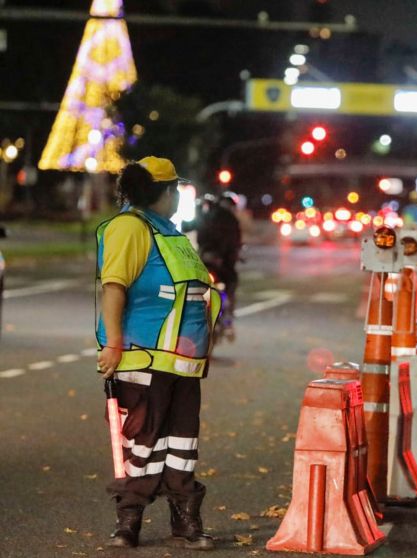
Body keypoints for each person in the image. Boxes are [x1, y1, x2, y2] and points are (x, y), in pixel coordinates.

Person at [96, 157, 221, 550]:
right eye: (175, 189)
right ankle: (128, 522)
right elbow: (114, 286)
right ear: (165, 192)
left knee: (182, 441)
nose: (178, 196)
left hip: (180, 361)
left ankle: (185, 519)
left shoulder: (169, 232)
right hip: (143, 356)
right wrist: (113, 344)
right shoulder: (130, 227)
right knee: (143, 441)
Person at [196, 192, 243, 335]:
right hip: (223, 263)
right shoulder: (231, 220)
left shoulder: (208, 215)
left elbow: (199, 235)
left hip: (205, 259)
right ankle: (228, 320)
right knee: (232, 283)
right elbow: (234, 242)